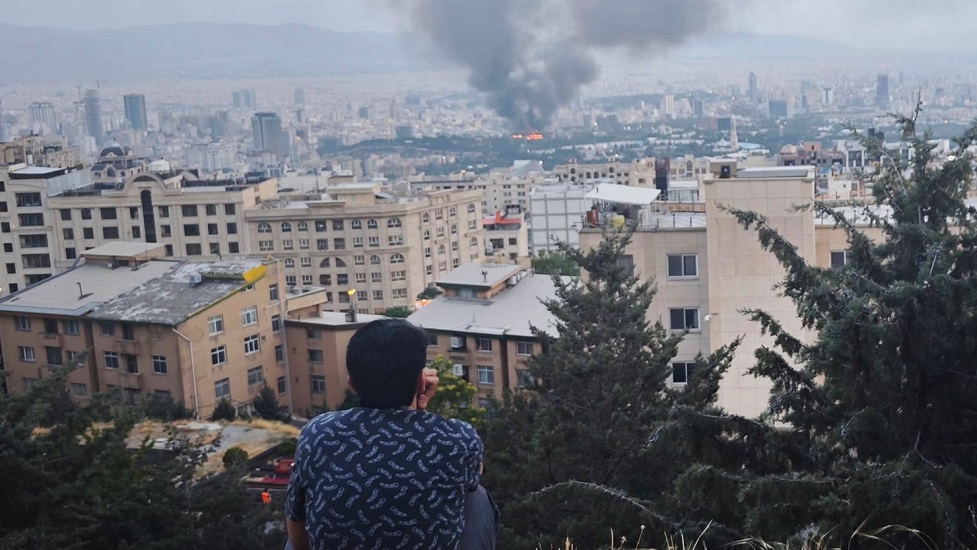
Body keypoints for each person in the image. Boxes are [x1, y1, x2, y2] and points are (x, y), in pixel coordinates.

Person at [285, 319, 498, 550]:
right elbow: (475, 471)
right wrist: (419, 411)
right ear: (421, 380)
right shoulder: (457, 439)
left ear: (352, 384)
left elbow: (298, 538)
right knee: (477, 497)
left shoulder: (317, 434)